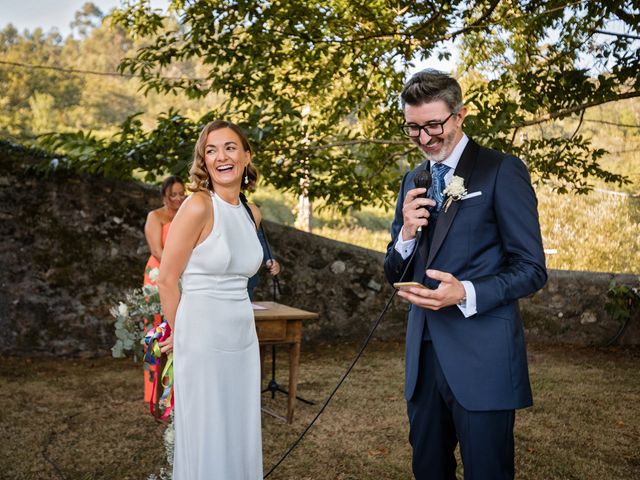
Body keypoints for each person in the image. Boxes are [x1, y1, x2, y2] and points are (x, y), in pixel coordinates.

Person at [384, 69, 547, 480]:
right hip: (423, 359)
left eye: (434, 125)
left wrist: (465, 293)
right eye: (413, 128)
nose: (424, 138)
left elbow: (531, 269)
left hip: (483, 358)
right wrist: (405, 233)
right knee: (429, 470)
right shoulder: (412, 180)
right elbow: (393, 270)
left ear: (460, 115)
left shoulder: (500, 170)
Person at [157, 120, 264, 479]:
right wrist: (180, 331)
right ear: (204, 160)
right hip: (201, 336)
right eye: (212, 150)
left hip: (242, 336)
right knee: (208, 431)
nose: (222, 156)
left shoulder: (252, 214)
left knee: (239, 426)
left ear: (246, 156)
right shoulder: (199, 206)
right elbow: (168, 280)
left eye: (230, 147)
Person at [142, 175, 185, 403]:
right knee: (156, 331)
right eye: (173, 194)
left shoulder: (188, 216)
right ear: (164, 196)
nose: (178, 198)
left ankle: (175, 393)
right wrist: (175, 272)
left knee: (178, 328)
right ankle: (153, 393)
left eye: (181, 193)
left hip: (182, 275)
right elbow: (157, 251)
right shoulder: (155, 216)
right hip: (159, 276)